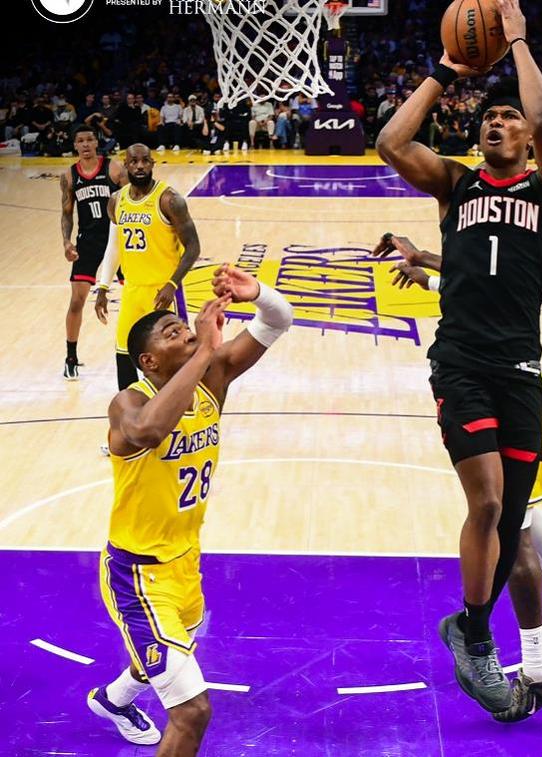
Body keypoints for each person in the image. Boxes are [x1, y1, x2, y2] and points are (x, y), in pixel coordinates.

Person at [375, 0, 542, 716]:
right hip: (460, 362)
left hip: (520, 367)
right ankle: (478, 636)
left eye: (508, 117)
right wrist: (444, 71)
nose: (497, 122)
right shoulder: (455, 184)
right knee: (488, 500)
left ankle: (472, 628)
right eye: (488, 117)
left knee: (513, 515)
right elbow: (391, 142)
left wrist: (516, 42)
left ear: (527, 137)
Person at [378, 234, 542, 719]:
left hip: (517, 387)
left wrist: (427, 265)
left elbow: (482, 284)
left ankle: (538, 664)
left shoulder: (520, 247)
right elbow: (474, 283)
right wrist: (426, 267)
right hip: (501, 382)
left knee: (511, 526)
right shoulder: (486, 264)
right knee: (512, 516)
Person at [87, 271, 292, 752]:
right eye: (172, 332)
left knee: (164, 653)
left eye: (186, 326)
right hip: (138, 576)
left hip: (185, 563)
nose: (187, 332)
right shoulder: (128, 402)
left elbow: (279, 321)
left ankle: (113, 700)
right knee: (192, 711)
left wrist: (257, 294)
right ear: (149, 360)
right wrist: (205, 352)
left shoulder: (210, 382)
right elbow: (149, 432)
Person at [95, 144, 201, 392]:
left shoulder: (170, 200)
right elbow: (114, 246)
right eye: (134, 161)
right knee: (123, 351)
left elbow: (193, 247)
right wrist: (103, 287)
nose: (140, 166)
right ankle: (130, 407)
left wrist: (172, 284)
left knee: (176, 354)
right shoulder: (116, 200)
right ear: (126, 165)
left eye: (145, 161)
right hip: (133, 290)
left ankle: (184, 405)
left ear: (153, 164)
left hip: (163, 292)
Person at [60, 124, 128, 380]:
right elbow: (67, 213)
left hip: (117, 236)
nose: (86, 144)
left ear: (97, 142)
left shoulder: (114, 168)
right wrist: (66, 242)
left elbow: (132, 201)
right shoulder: (69, 176)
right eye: (81, 140)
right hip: (87, 241)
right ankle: (71, 357)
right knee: (77, 301)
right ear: (75, 145)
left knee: (136, 293)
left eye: (90, 139)